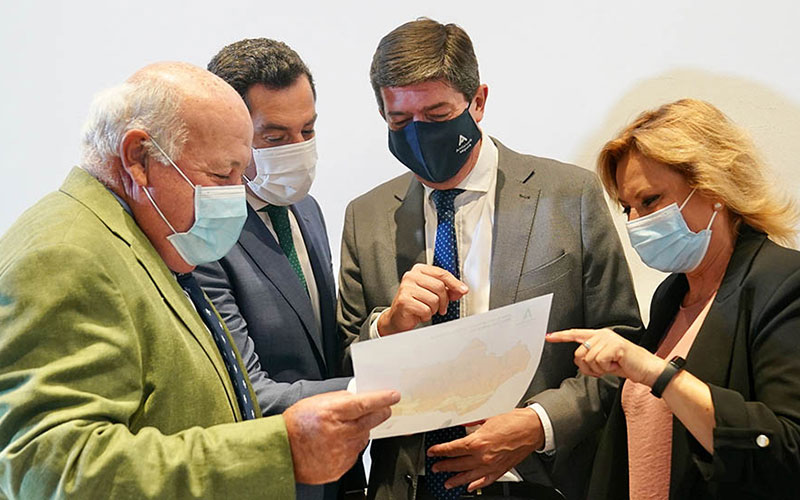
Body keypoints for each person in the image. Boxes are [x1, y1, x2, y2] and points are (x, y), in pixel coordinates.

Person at [0, 61, 399, 499]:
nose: (236, 195)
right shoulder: (67, 256)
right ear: (138, 158)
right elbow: (54, 472)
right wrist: (278, 450)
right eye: (221, 175)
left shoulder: (137, 239)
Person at [337, 18, 641, 500]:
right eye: (400, 121)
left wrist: (537, 424)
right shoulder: (366, 216)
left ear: (477, 101)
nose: (418, 135)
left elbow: (621, 341)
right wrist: (387, 327)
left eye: (437, 116)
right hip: (409, 486)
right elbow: (345, 365)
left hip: (536, 482)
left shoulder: (569, 195)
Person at [547, 98, 800, 499]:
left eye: (649, 201)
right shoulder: (672, 295)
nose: (635, 222)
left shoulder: (784, 283)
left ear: (713, 186)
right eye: (627, 208)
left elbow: (787, 449)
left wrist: (657, 373)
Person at [195, 38, 362, 500]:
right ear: (230, 134)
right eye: (275, 138)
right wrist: (382, 389)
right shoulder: (204, 235)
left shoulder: (306, 209)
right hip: (267, 479)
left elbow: (322, 345)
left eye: (308, 130)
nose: (298, 149)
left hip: (336, 474)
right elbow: (250, 391)